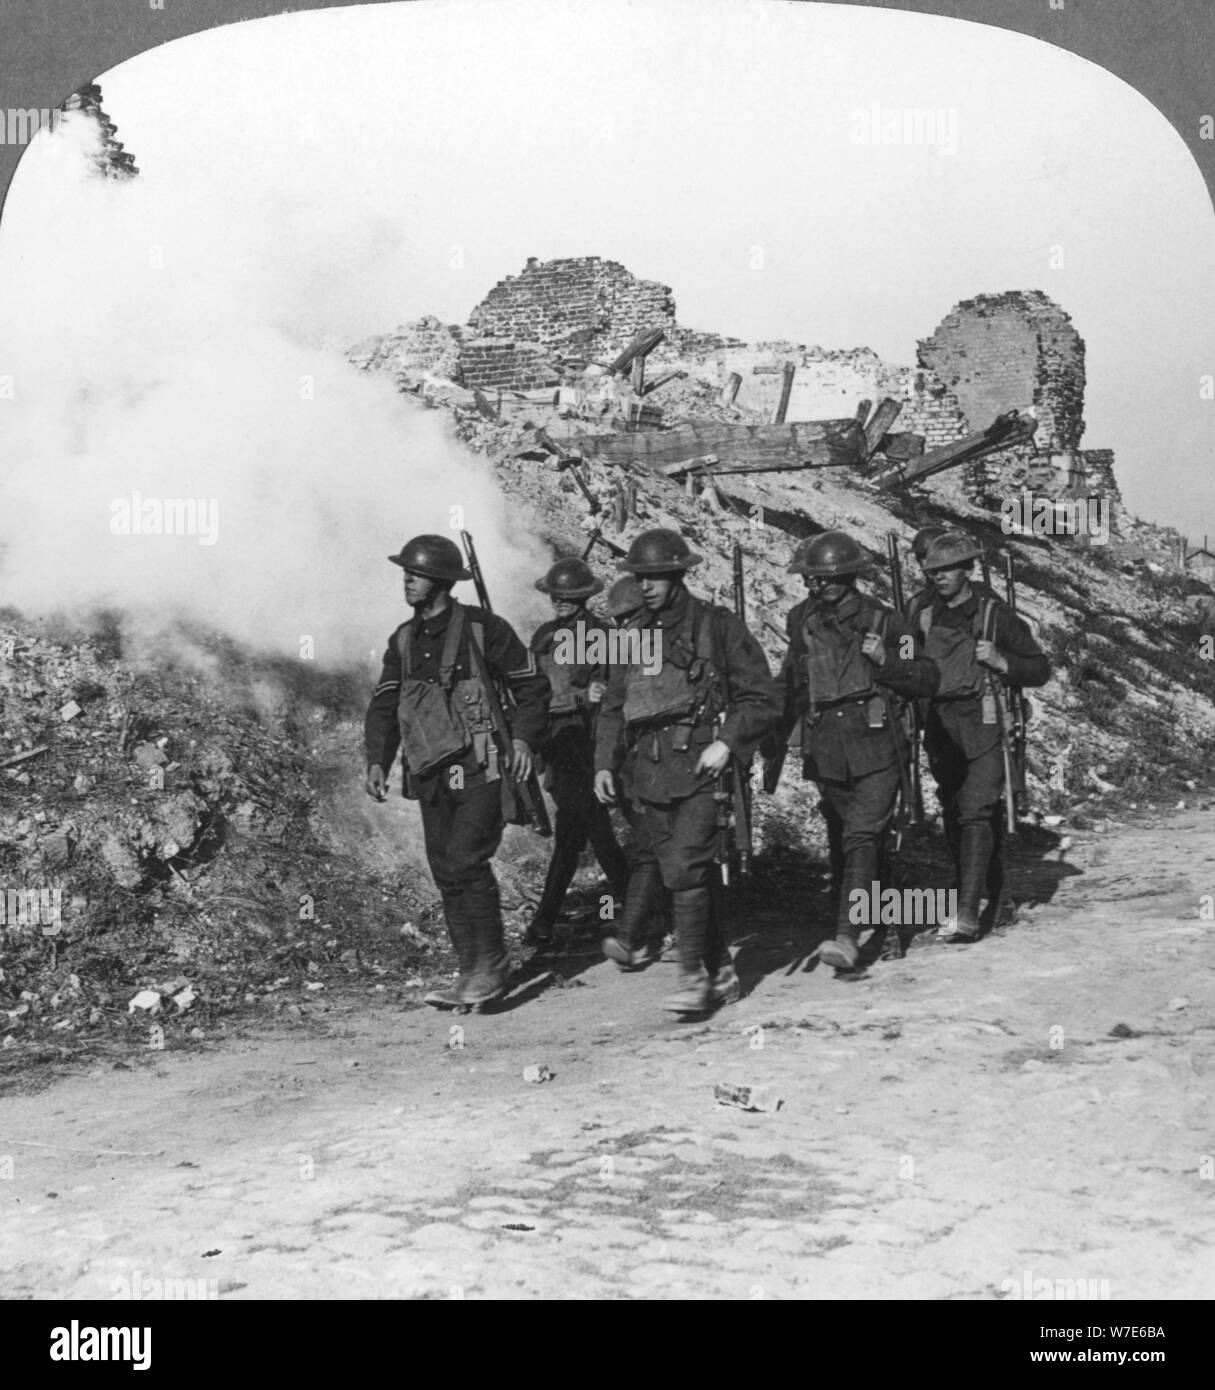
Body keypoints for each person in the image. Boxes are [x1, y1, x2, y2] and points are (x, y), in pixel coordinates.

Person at [593, 528, 780, 1014]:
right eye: (640, 577)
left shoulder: (716, 625)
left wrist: (728, 741)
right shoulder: (631, 638)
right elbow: (613, 708)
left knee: (684, 867)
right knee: (681, 869)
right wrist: (604, 765)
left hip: (702, 761)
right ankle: (719, 972)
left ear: (678, 574)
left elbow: (760, 697)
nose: (647, 586)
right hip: (648, 770)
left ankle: (693, 976)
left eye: (655, 576)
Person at [364, 534, 549, 1009]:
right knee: (445, 870)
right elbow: (385, 703)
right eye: (405, 572)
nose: (407, 580)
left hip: (480, 765)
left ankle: (491, 967)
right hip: (428, 769)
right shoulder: (402, 640)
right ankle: (469, 971)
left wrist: (525, 739)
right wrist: (377, 759)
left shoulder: (484, 628)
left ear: (442, 580)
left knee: (467, 860)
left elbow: (532, 688)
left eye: (416, 572)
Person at [776, 530, 939, 971]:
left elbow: (925, 676)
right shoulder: (800, 620)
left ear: (850, 578)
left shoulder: (887, 622)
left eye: (826, 581)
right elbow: (791, 680)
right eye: (811, 580)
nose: (817, 588)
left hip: (878, 742)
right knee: (856, 841)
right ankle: (887, 925)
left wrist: (888, 661)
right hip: (827, 744)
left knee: (862, 835)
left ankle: (847, 936)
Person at [914, 531, 1050, 941]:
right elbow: (904, 655)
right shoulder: (919, 613)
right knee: (955, 810)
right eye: (932, 570)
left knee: (975, 808)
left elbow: (1039, 668)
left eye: (947, 570)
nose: (938, 577)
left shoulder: (995, 615)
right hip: (938, 723)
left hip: (985, 721)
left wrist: (1001, 660)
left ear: (968, 570)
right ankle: (996, 892)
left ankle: (967, 913)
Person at [526, 558, 630, 949]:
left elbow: (615, 690)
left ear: (585, 597)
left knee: (583, 829)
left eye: (569, 596)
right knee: (582, 830)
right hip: (556, 743)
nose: (561, 602)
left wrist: (587, 697)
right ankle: (643, 909)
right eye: (556, 596)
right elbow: (532, 692)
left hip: (589, 743)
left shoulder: (604, 636)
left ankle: (546, 921)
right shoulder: (542, 638)